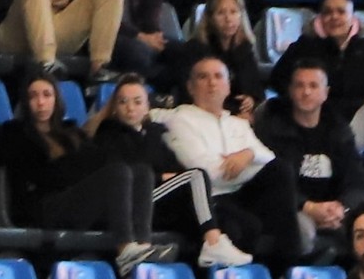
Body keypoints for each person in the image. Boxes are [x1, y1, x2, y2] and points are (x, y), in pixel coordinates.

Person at [0, 71, 165, 275]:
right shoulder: (14, 133)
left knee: (143, 172)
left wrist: (75, 165)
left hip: (73, 202)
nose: (41, 102)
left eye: (47, 95)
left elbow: (95, 160)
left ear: (56, 99)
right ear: (25, 101)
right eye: (33, 96)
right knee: (117, 172)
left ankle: (143, 245)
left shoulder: (71, 132)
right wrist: (75, 165)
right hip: (43, 207)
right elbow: (41, 176)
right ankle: (125, 251)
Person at [88, 73, 250, 266]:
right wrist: (162, 177)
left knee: (234, 220)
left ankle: (210, 270)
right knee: (196, 176)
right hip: (137, 201)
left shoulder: (155, 133)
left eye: (137, 102)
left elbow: (175, 168)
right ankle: (213, 242)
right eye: (123, 102)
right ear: (115, 107)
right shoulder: (108, 134)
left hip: (162, 199)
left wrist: (170, 177)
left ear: (147, 107)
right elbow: (122, 177)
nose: (130, 108)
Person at [154, 55, 302, 266]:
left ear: (228, 86)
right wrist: (245, 165)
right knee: (244, 227)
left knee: (281, 170)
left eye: (218, 76)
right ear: (190, 87)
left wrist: (248, 154)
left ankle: (289, 258)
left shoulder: (237, 123)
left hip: (240, 194)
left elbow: (269, 159)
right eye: (203, 77)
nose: (212, 82)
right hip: (207, 200)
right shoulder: (179, 118)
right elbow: (208, 171)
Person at [268, 0, 364, 179]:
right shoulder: (305, 46)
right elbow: (277, 79)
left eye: (341, 11)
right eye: (328, 12)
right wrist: (302, 103)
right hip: (312, 129)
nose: (334, 17)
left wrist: (363, 99)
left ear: (352, 17)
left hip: (350, 130)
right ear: (320, 17)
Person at [258, 63, 364, 257]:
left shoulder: (339, 131)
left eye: (313, 86)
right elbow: (270, 183)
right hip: (292, 210)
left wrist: (341, 208)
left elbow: (357, 180)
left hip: (334, 210)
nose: (306, 92)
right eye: (300, 85)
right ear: (291, 91)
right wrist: (308, 207)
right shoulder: (273, 130)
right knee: (301, 230)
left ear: (325, 93)